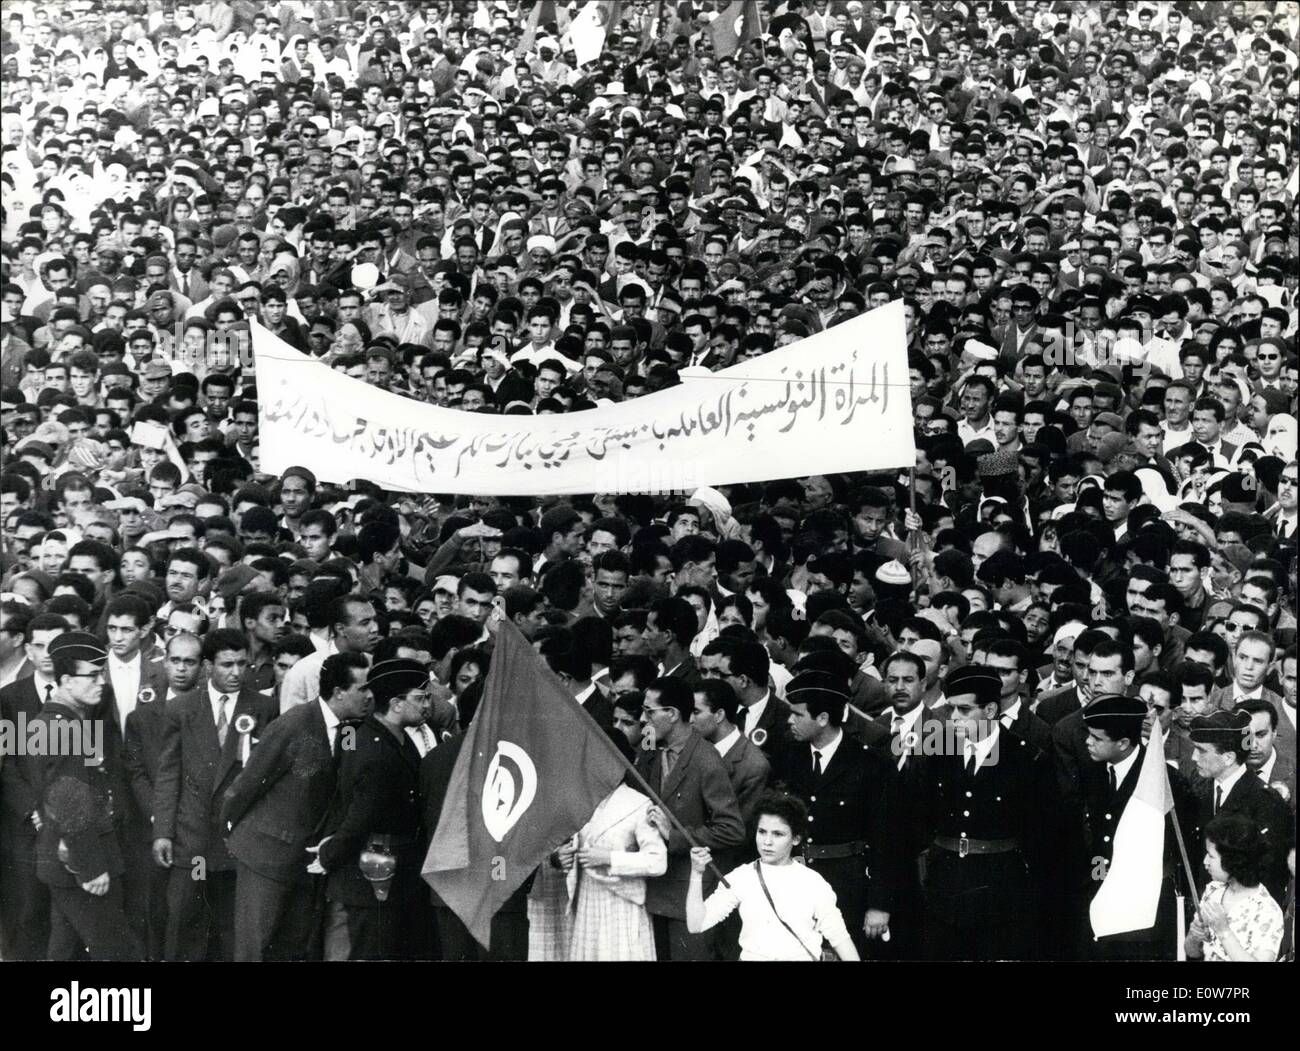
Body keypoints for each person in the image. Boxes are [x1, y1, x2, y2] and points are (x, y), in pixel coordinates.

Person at [223, 652, 372, 961]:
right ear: (338, 692)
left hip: (303, 862)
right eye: (363, 688)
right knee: (255, 949)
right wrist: (231, 829)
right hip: (265, 857)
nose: (370, 696)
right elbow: (246, 785)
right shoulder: (293, 724)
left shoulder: (351, 730)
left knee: (291, 948)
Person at [152, 628, 278, 961]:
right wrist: (163, 832)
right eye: (226, 665)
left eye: (241, 664)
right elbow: (168, 774)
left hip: (239, 841)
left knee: (232, 928)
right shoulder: (181, 708)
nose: (236, 673)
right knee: (185, 922)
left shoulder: (264, 707)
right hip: (191, 840)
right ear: (208, 665)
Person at [33, 632, 141, 960]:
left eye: (102, 674)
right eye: (92, 676)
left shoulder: (57, 722)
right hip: (81, 864)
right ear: (65, 680)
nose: (101, 682)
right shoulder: (63, 727)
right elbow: (68, 804)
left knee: (64, 950)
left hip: (66, 861)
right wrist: (91, 868)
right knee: (120, 953)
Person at [315, 659, 430, 961]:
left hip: (390, 875)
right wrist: (329, 856)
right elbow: (359, 817)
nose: (428, 705)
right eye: (421, 698)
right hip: (370, 877)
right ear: (395, 703)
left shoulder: (393, 738)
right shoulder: (375, 749)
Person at [635, 675, 746, 960]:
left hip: (689, 893)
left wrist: (674, 834)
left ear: (672, 714)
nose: (642, 719)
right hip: (654, 888)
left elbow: (731, 829)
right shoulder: (652, 748)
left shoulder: (707, 760)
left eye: (649, 712)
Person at [685, 790, 859, 961]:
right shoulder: (741, 877)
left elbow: (839, 938)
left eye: (778, 834)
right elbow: (696, 925)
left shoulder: (813, 882)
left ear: (796, 838)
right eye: (762, 832)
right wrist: (696, 873)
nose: (767, 842)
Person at [558, 778, 666, 961]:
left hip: (623, 903)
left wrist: (609, 858)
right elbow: (572, 845)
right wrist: (563, 856)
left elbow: (658, 860)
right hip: (587, 900)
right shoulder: (582, 801)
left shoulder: (638, 803)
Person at [1185, 815, 1285, 962]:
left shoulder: (1267, 911)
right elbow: (1193, 953)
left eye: (1211, 856)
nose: (1205, 862)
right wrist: (1193, 936)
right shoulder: (1213, 891)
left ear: (1234, 861)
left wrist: (1223, 931)